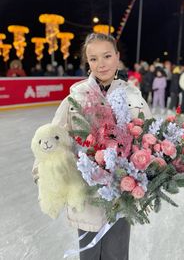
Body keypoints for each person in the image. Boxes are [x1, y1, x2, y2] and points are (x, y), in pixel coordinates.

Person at [32, 33, 152, 260]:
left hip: (121, 191)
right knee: (88, 255)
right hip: (85, 192)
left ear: (117, 57)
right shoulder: (74, 98)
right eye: (93, 58)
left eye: (107, 56)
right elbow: (54, 138)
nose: (101, 64)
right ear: (87, 61)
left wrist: (149, 171)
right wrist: (42, 173)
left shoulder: (133, 97)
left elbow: (149, 138)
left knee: (116, 254)